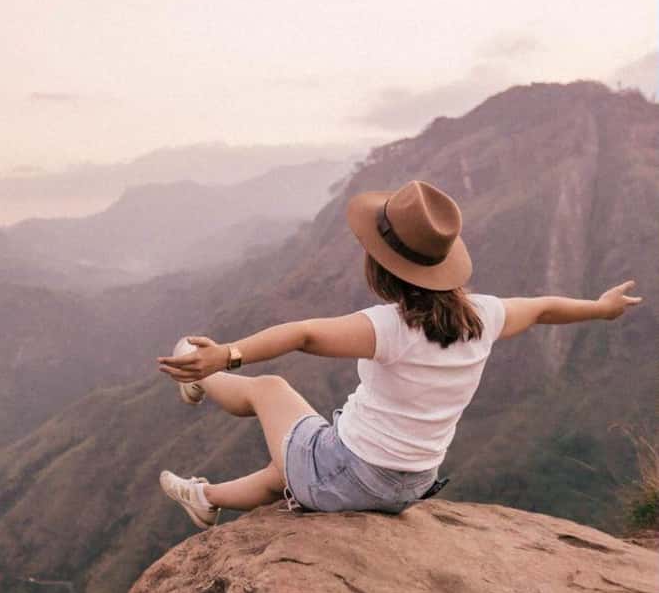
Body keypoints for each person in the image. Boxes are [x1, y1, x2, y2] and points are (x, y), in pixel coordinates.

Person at [156, 179, 642, 530]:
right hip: (411, 485)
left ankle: (198, 374)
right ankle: (205, 497)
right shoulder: (484, 316)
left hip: (352, 475)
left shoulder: (388, 327)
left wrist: (227, 355)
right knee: (287, 465)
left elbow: (303, 334)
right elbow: (542, 309)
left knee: (270, 388)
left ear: (382, 267)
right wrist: (601, 309)